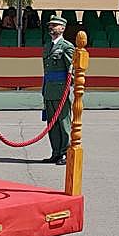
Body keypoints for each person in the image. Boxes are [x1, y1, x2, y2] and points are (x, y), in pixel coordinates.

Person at [41, 16, 75, 165]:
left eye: (55, 25)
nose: (52, 28)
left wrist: (69, 87)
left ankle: (65, 153)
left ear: (62, 28)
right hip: (49, 89)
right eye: (50, 25)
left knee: (63, 123)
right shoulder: (48, 46)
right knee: (52, 124)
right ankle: (55, 152)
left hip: (61, 90)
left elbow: (71, 70)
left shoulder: (67, 46)